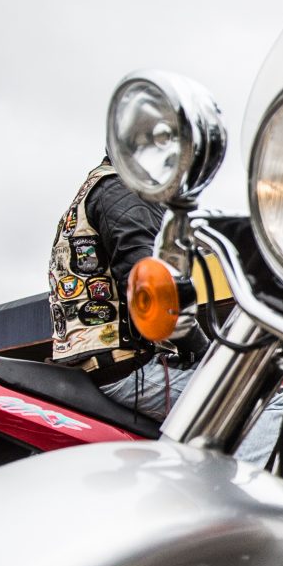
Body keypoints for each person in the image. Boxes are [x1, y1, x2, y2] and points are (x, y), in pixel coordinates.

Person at [48, 161, 185, 420]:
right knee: (264, 404)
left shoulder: (93, 189)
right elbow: (145, 286)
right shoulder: (121, 189)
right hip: (126, 366)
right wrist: (197, 343)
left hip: (91, 364)